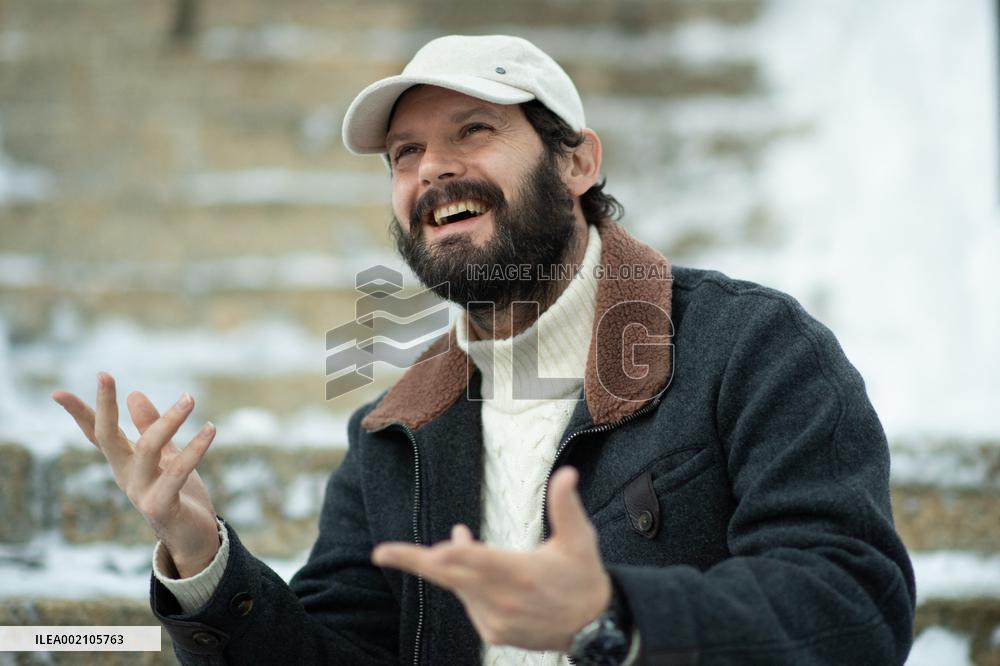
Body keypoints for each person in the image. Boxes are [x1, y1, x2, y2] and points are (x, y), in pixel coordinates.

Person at [52, 34, 916, 665]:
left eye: (473, 132)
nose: (431, 170)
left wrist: (614, 612)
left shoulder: (753, 348)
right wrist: (203, 557)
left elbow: (851, 606)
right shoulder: (392, 433)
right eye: (405, 153)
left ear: (577, 164)